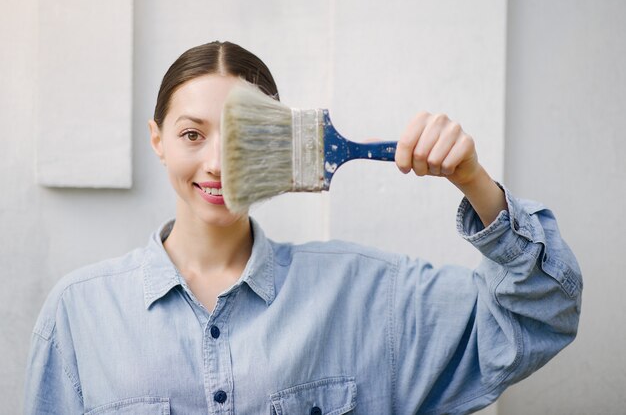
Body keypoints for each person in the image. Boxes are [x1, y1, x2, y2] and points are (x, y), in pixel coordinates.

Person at [24, 41, 582, 414]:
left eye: (239, 134)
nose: (217, 163)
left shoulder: (367, 297)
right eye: (192, 134)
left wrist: (475, 183)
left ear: (282, 139)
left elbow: (538, 315)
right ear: (157, 140)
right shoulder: (78, 314)